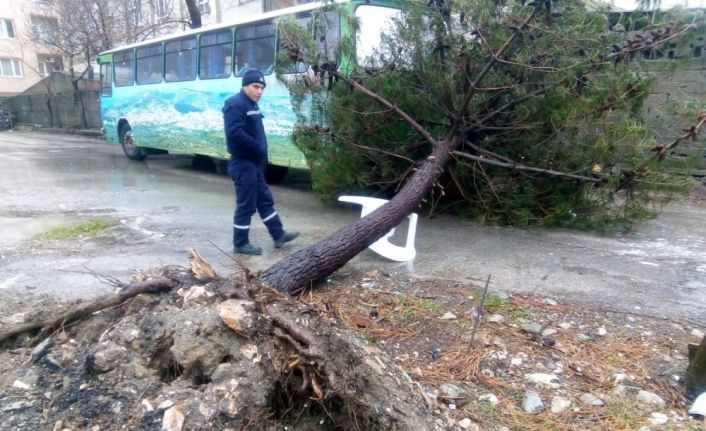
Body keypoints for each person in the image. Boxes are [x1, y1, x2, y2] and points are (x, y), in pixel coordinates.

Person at [222, 69, 299, 255]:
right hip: (242, 164)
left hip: (253, 164)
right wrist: (257, 147)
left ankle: (278, 235)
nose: (259, 91)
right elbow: (234, 133)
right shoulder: (235, 103)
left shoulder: (251, 104)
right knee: (246, 205)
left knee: (265, 201)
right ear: (245, 86)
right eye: (255, 86)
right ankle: (240, 243)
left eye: (262, 88)